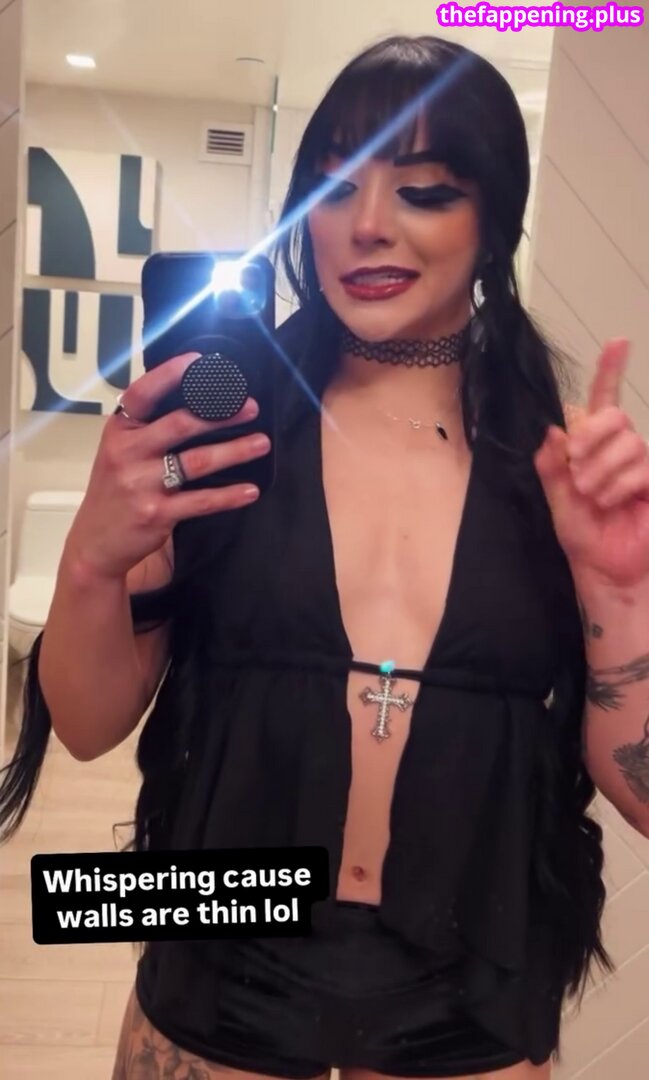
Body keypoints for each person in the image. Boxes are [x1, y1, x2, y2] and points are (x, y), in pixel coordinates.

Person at [0, 34, 625, 1080]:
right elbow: (92, 722)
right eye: (333, 189)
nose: (366, 223)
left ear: (494, 218)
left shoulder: (554, 465)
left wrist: (620, 588)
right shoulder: (222, 430)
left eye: (422, 190)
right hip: (221, 963)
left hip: (472, 980)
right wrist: (92, 565)